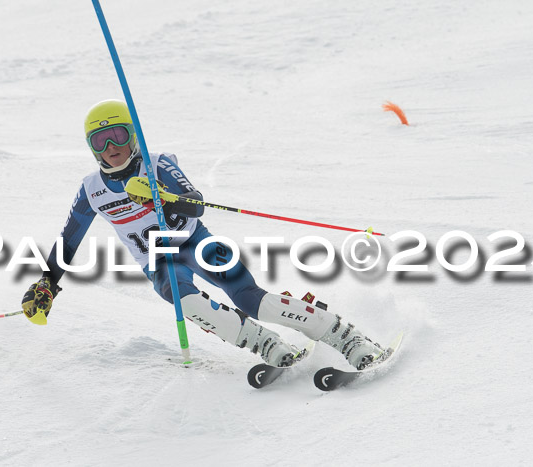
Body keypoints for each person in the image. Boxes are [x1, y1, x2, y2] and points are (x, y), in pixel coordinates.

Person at [21, 99, 389, 369]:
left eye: (118, 135)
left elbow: (195, 203)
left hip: (198, 243)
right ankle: (264, 344)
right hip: (160, 262)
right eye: (100, 141)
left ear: (133, 135)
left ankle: (346, 336)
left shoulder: (157, 163)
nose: (112, 148)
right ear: (91, 147)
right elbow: (68, 241)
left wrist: (160, 197)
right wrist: (48, 282)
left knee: (250, 299)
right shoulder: (91, 190)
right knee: (185, 301)